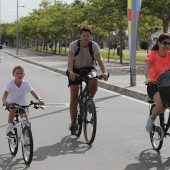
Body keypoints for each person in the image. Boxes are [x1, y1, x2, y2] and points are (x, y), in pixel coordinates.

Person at [67, 26, 109, 135]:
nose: (86, 38)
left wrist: (104, 72)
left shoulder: (93, 45)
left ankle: (89, 100)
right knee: (74, 96)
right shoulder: (74, 45)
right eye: (83, 36)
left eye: (88, 36)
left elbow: (99, 60)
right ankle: (73, 123)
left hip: (89, 68)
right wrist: (71, 72)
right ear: (80, 36)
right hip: (75, 69)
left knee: (94, 79)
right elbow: (70, 60)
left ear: (90, 36)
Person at [2, 65, 45, 136]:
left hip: (23, 105)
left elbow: (33, 93)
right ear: (13, 74)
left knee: (27, 123)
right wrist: (5, 102)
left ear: (24, 74)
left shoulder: (26, 84)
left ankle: (27, 141)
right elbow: (4, 96)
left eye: (21, 73)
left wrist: (39, 99)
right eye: (17, 73)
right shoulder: (10, 84)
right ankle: (9, 127)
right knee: (14, 107)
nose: (19, 75)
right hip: (11, 104)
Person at [144, 33, 170, 133]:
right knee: (161, 104)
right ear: (158, 43)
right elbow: (146, 67)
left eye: (169, 44)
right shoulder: (152, 54)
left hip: (167, 85)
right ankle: (151, 119)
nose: (167, 46)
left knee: (165, 104)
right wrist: (147, 78)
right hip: (154, 85)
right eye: (165, 43)